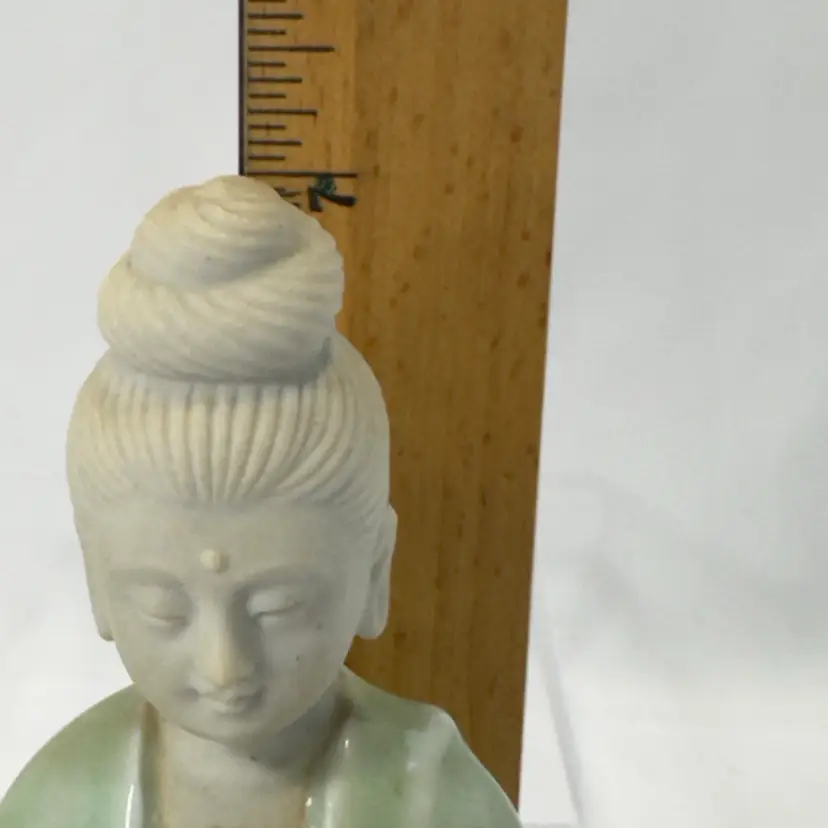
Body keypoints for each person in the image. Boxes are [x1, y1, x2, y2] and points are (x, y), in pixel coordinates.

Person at [0, 175, 522, 828]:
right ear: (97, 585)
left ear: (375, 571)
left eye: (278, 608)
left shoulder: (431, 796)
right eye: (164, 610)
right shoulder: (62, 796)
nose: (225, 667)